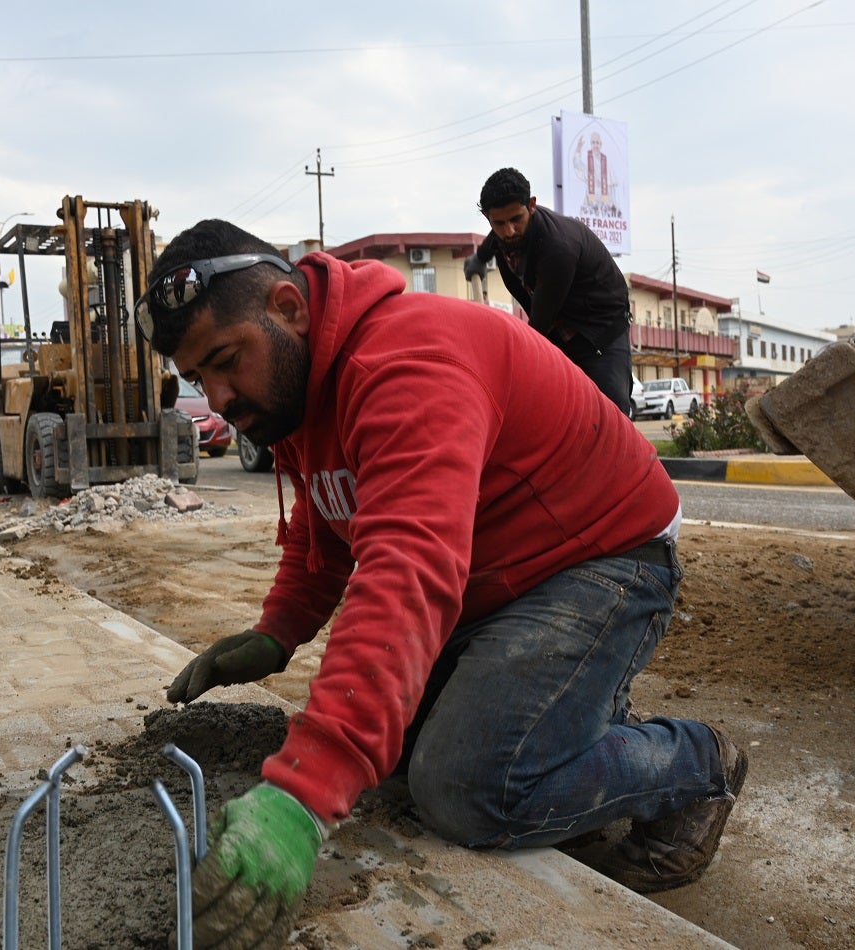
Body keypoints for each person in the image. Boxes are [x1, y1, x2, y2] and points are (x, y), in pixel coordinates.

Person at [141, 219, 745, 949]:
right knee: (392, 758)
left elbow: (407, 570)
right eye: (197, 378)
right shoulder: (298, 392)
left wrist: (303, 796)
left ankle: (699, 764)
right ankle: (572, 713)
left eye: (225, 360)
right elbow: (328, 521)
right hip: (495, 577)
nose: (219, 395)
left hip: (600, 558)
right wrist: (278, 631)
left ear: (287, 308)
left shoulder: (407, 361)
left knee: (469, 789)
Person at [464, 167, 633, 416]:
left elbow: (540, 323)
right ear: (488, 217)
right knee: (559, 414)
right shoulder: (504, 233)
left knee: (610, 417)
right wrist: (481, 257)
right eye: (499, 223)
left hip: (600, 329)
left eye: (515, 220)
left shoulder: (558, 248)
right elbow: (495, 238)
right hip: (561, 329)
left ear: (531, 205)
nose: (509, 230)